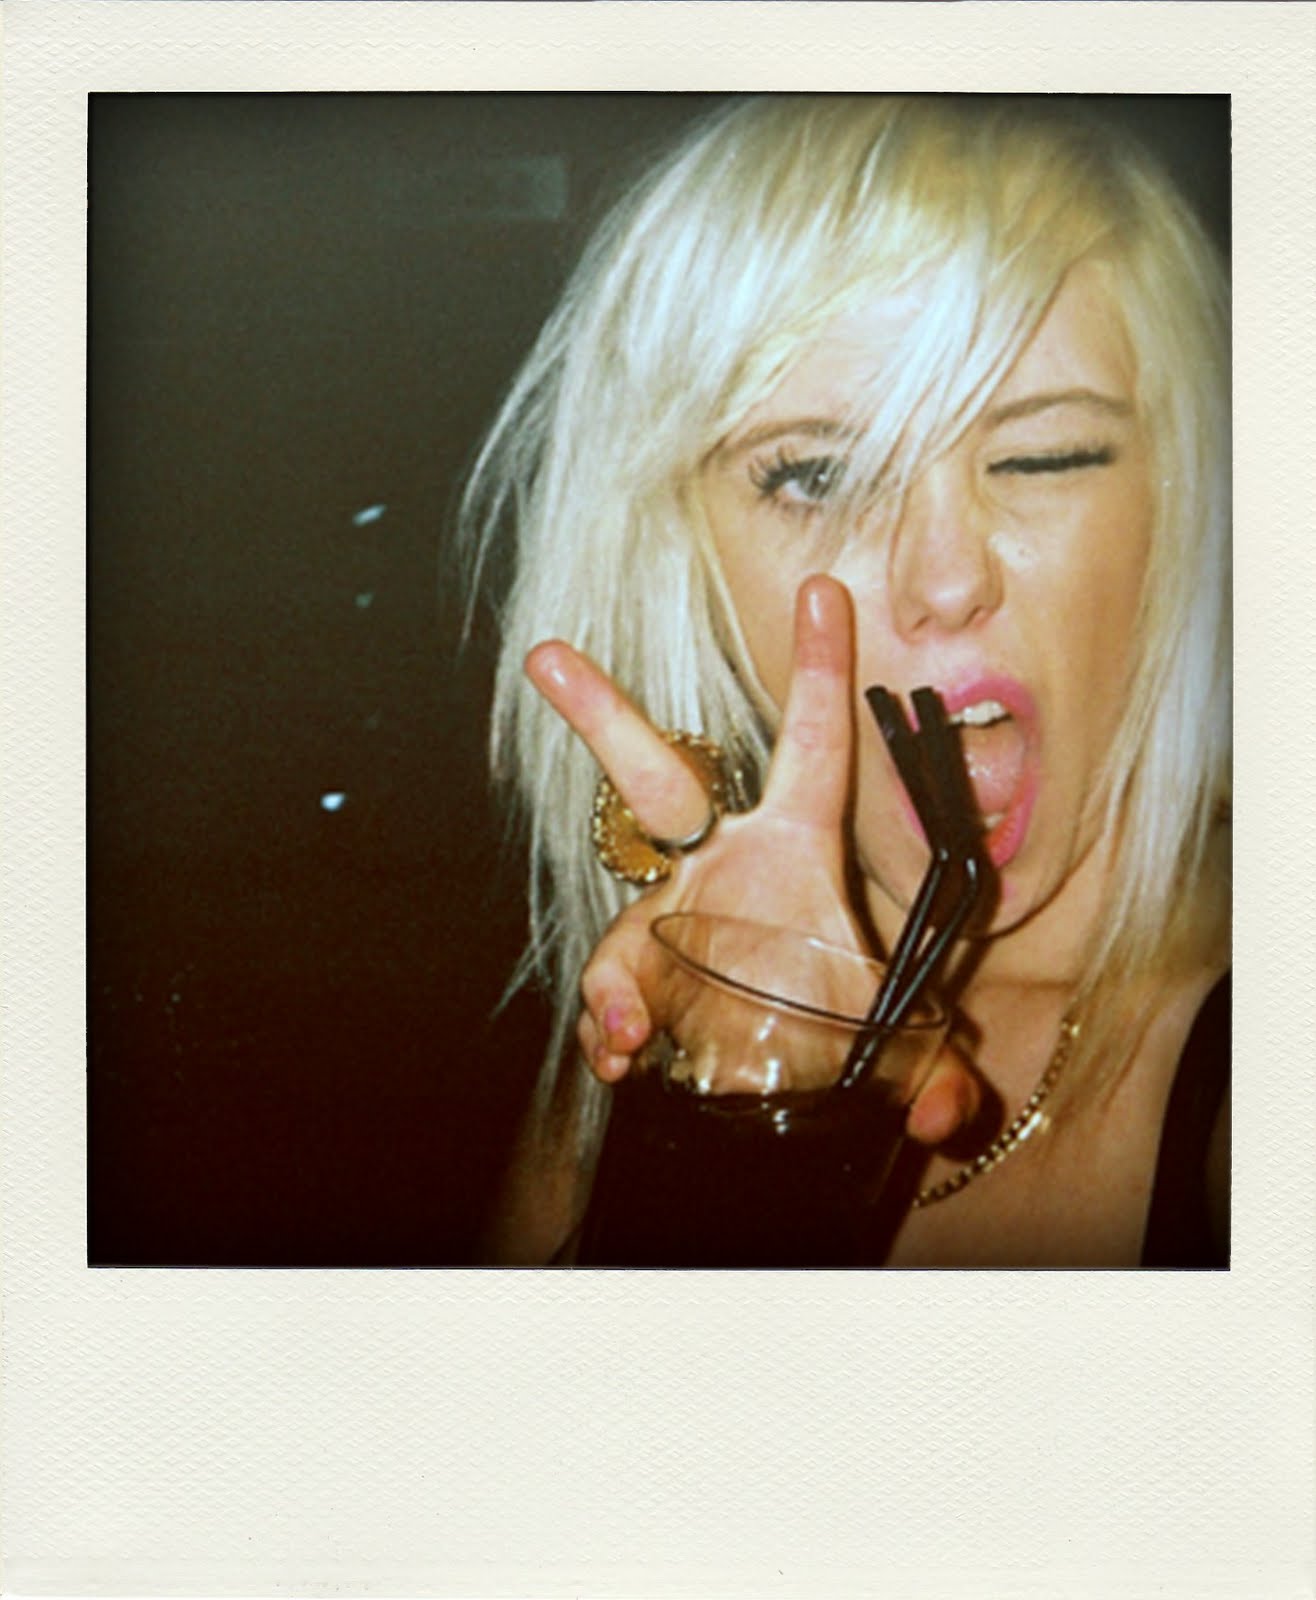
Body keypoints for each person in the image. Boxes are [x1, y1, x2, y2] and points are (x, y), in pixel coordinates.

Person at [459, 94, 1231, 1268]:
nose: (944, 577)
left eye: (1043, 456)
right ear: (680, 546)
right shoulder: (668, 1018)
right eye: (815, 475)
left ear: (1182, 504)